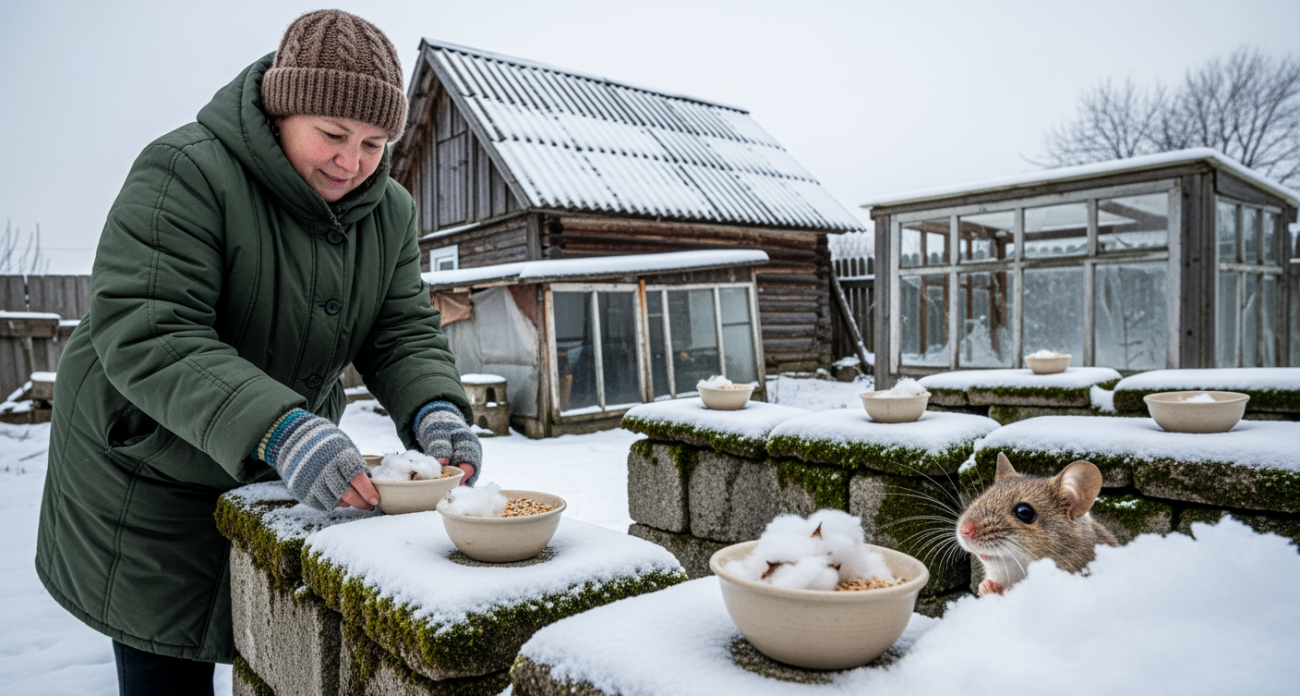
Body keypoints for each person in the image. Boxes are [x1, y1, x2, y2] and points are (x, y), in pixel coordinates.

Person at [35, 10, 481, 695]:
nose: (351, 162)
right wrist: (281, 427)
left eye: (373, 142)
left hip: (271, 466)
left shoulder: (387, 209)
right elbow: (150, 329)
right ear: (280, 108)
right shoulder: (184, 170)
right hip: (150, 468)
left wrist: (436, 408)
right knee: (167, 662)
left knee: (278, 655)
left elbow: (399, 329)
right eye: (332, 135)